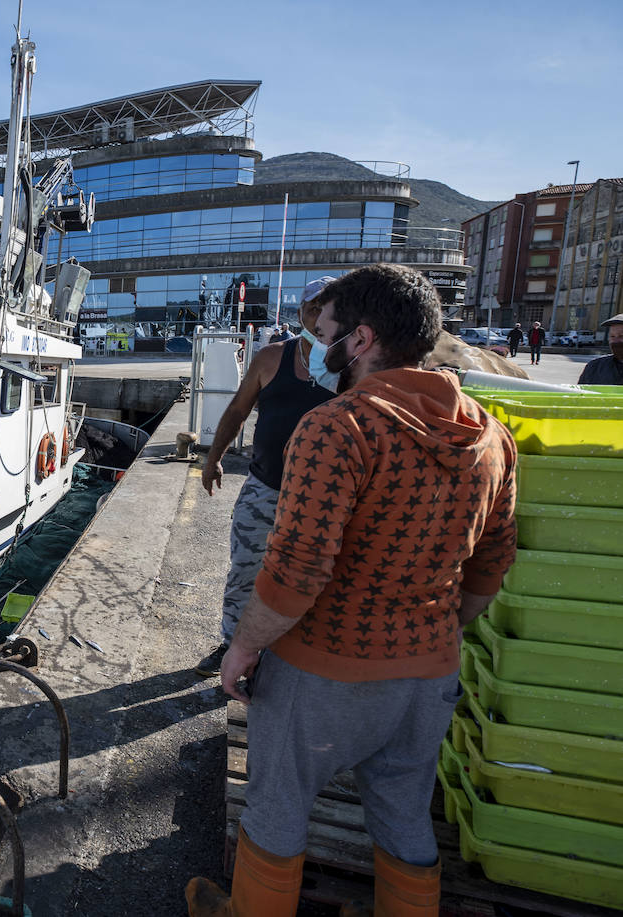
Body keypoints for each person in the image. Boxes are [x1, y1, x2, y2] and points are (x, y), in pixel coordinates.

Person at [186, 264, 517, 917]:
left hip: (322, 672)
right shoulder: (490, 435)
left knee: (277, 809)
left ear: (360, 340)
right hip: (427, 676)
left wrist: (244, 647)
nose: (319, 342)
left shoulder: (339, 426)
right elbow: (490, 566)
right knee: (402, 817)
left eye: (327, 330)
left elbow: (298, 569)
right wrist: (439, 632)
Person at [195, 277, 337, 677]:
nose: (320, 318)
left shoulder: (352, 369)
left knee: (314, 580)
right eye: (314, 309)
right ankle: (230, 644)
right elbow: (238, 410)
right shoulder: (272, 358)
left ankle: (286, 655)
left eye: (331, 311)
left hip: (322, 501)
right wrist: (213, 459)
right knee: (245, 571)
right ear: (303, 313)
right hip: (265, 488)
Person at [577, 313, 623, 385]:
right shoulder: (595, 367)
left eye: (621, 336)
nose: (615, 341)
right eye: (612, 336)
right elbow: (581, 394)